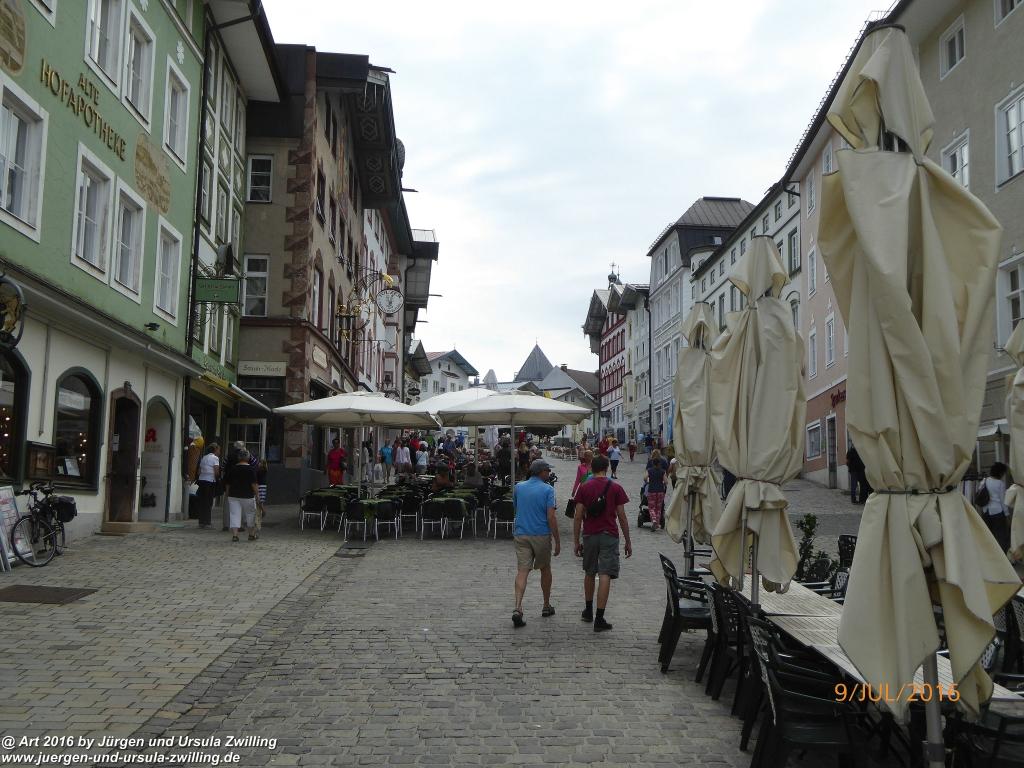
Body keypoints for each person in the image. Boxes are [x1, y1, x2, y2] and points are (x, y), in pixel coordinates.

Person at [573, 455, 631, 632]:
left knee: (590, 572)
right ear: (606, 468)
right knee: (605, 573)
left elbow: (577, 516)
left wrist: (576, 541)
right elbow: (622, 516)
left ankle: (588, 610)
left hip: (590, 534)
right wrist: (628, 541)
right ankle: (599, 618)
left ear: (592, 468)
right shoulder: (616, 488)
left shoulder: (584, 487)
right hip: (609, 534)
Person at [511, 459, 560, 627]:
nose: (549, 473)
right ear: (541, 472)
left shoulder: (518, 487)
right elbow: (551, 517)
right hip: (541, 534)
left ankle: (518, 607)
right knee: (545, 569)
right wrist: (557, 540)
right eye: (547, 470)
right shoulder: (548, 489)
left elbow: (516, 508)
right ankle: (546, 604)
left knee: (522, 571)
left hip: (521, 533)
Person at [225, 448, 259, 542]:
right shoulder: (251, 469)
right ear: (248, 458)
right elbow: (254, 484)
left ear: (238, 458)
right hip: (248, 495)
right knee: (250, 514)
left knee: (234, 514)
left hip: (233, 495)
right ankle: (251, 534)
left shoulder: (232, 469)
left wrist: (227, 493)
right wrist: (257, 495)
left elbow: (228, 483)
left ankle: (235, 535)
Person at [979, 462, 1010, 551]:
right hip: (998, 512)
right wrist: (1007, 515)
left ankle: (990, 553)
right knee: (1001, 536)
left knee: (988, 535)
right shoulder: (1000, 483)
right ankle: (1002, 554)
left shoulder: (984, 481)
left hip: (986, 511)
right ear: (1000, 473)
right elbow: (1003, 500)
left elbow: (980, 492)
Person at [196, 443, 220, 529]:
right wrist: (217, 479)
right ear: (215, 449)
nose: (219, 452)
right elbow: (216, 471)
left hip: (202, 481)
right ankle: (207, 522)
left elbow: (199, 472)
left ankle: (201, 522)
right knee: (209, 502)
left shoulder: (204, 457)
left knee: (202, 502)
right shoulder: (215, 458)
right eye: (219, 450)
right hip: (210, 481)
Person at [645, 449, 669, 531]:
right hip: (660, 491)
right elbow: (666, 482)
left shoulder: (650, 470)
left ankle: (654, 520)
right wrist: (663, 482)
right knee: (659, 508)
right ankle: (657, 523)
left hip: (651, 490)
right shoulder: (662, 471)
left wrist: (647, 481)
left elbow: (645, 478)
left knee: (651, 507)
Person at [255, 458, 268, 539]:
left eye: (259, 462)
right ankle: (262, 510)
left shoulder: (259, 471)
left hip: (260, 486)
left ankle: (263, 510)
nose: (258, 464)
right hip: (263, 486)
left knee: (259, 501)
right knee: (260, 501)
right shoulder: (264, 471)